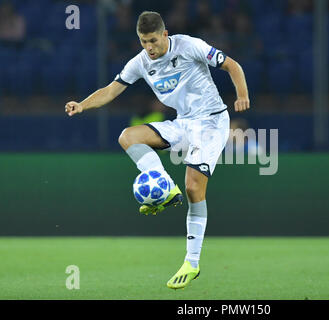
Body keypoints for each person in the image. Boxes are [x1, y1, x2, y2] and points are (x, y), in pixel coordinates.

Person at [65, 11, 250, 289]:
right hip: (183, 123)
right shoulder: (140, 62)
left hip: (212, 121)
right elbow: (111, 90)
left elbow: (232, 65)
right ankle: (163, 184)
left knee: (193, 188)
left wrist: (243, 95)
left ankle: (192, 262)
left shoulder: (189, 46)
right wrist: (82, 104)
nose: (149, 47)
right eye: (143, 42)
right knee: (127, 136)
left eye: (152, 40)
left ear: (165, 34)